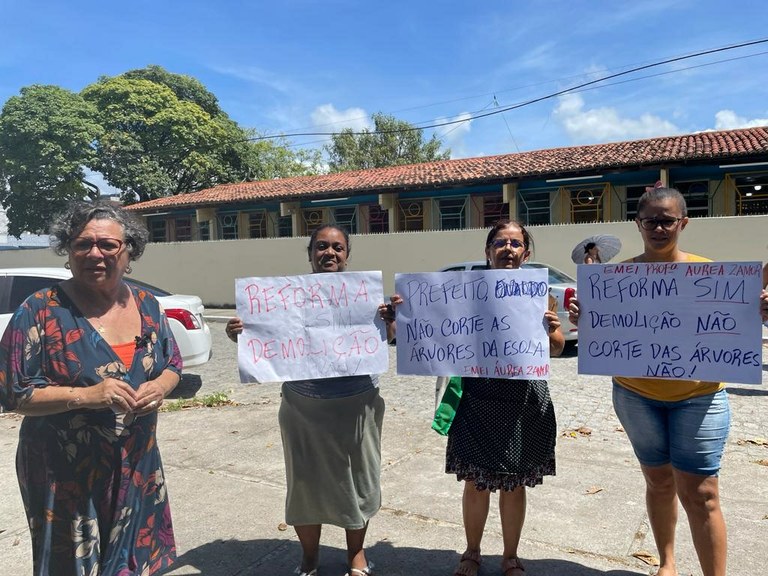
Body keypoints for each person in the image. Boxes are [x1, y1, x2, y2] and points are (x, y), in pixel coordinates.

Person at [568, 186, 768, 576]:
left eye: (668, 220)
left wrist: (759, 309)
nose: (659, 227)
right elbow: (602, 333)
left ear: (684, 223)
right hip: (635, 396)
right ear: (637, 223)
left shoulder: (712, 273)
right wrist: (587, 320)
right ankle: (668, 563)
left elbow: (740, 324)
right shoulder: (616, 279)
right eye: (651, 220)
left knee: (703, 494)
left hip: (700, 397)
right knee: (658, 482)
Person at [0, 201, 183, 576]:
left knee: (131, 560)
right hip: (63, 470)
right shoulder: (40, 309)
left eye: (107, 245)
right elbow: (15, 392)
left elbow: (172, 364)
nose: (94, 253)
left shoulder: (148, 305)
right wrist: (87, 395)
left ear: (129, 250)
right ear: (68, 251)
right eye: (82, 244)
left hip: (137, 465)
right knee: (72, 564)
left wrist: (160, 386)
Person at [226, 224, 397, 576]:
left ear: (347, 255)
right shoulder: (282, 299)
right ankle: (309, 556)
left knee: (359, 482)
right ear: (310, 254)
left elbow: (389, 341)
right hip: (302, 409)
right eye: (322, 247)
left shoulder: (366, 299)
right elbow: (263, 343)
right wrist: (240, 335)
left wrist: (389, 323)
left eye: (337, 247)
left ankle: (356, 554)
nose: (329, 253)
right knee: (305, 484)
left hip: (357, 407)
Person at [444, 219, 565, 576]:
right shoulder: (466, 292)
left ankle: (510, 556)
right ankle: (471, 552)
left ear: (525, 253)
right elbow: (442, 336)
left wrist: (553, 330)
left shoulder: (540, 295)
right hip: (477, 398)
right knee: (476, 483)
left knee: (513, 483)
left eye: (515, 243)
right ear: (488, 251)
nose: (507, 249)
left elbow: (555, 350)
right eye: (500, 242)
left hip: (523, 401)